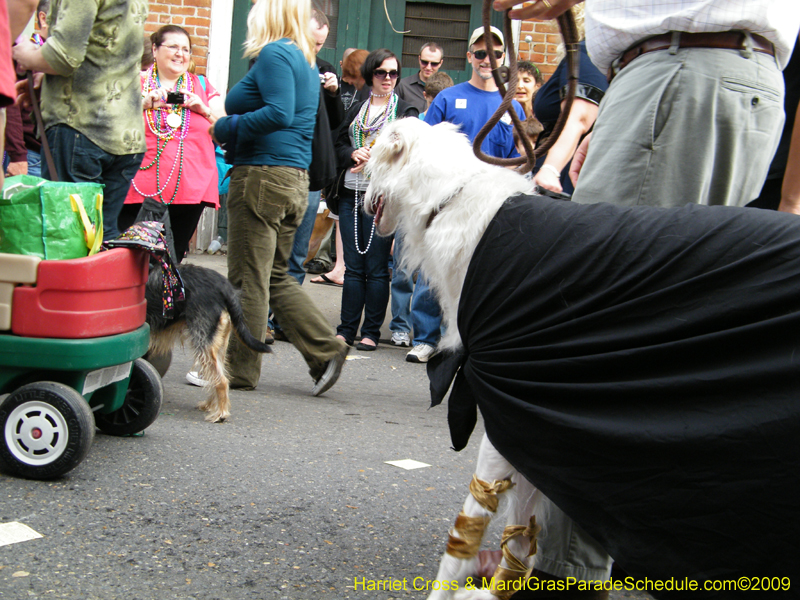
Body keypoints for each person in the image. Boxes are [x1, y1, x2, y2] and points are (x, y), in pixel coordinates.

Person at [491, 0, 800, 594]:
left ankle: (565, 576)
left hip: (678, 71)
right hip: (737, 78)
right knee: (681, 351)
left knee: (594, 339)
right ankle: (674, 562)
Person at [211, 0, 348, 396]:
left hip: (262, 177)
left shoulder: (274, 53)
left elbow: (278, 113)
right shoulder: (304, 60)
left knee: (247, 279)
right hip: (292, 179)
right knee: (274, 276)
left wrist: (224, 125)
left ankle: (239, 371)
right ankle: (326, 350)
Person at [406, 24, 526, 364]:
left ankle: (471, 342)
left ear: (504, 58)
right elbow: (423, 149)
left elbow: (519, 157)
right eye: (481, 52)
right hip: (449, 201)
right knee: (436, 267)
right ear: (470, 56)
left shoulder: (511, 107)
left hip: (490, 204)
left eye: (496, 53)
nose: (488, 59)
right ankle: (427, 338)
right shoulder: (447, 98)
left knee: (483, 274)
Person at [12, 0, 147, 240]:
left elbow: (63, 56)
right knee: (103, 236)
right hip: (126, 133)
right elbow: (108, 54)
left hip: (80, 128)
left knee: (70, 236)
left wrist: (25, 54)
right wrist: (46, 83)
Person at [332, 48, 419, 351]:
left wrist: (377, 160)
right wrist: (352, 154)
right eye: (382, 72)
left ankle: (370, 331)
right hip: (351, 191)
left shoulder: (406, 112)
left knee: (377, 266)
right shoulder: (357, 106)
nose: (388, 78)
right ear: (371, 75)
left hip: (383, 197)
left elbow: (407, 155)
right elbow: (339, 143)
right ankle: (346, 329)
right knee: (354, 267)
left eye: (394, 73)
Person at [117, 25, 224, 262]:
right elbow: (108, 121)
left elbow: (224, 132)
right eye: (173, 46)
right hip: (139, 186)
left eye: (186, 49)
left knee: (172, 257)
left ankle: (165, 299)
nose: (180, 54)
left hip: (190, 188)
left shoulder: (203, 86)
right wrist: (142, 104)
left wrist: (204, 110)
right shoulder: (134, 82)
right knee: (131, 257)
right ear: (154, 50)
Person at [389, 70, 454, 349]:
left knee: (431, 274)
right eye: (434, 98)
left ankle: (431, 330)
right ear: (425, 97)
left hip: (435, 209)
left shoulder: (450, 134)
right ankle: (400, 325)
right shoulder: (414, 126)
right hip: (412, 206)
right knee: (403, 269)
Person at [285, 8, 344, 286]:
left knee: (298, 252)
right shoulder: (278, 61)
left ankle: (284, 324)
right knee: (272, 251)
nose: (314, 48)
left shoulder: (325, 69)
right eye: (311, 40)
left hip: (308, 173)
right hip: (279, 167)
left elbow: (335, 122)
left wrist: (333, 94)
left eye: (320, 43)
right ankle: (263, 319)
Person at [311, 47, 370, 288]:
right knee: (338, 217)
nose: (345, 80)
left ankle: (344, 268)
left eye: (348, 74)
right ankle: (340, 267)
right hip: (344, 165)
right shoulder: (355, 93)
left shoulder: (367, 98)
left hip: (355, 172)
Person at [532, 5, 607, 195]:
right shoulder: (582, 55)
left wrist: (551, 170)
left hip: (564, 176)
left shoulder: (583, 54)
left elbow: (579, 117)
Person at [395, 41, 444, 112]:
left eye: (434, 64)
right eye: (424, 62)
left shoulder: (446, 90)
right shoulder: (402, 86)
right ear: (419, 59)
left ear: (440, 63)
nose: (428, 67)